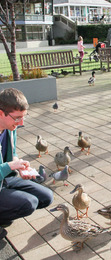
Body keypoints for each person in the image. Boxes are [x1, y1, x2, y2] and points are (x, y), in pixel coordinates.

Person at [0, 88, 53, 240]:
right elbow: (6, 166)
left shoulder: (10, 129)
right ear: (1, 113)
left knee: (46, 196)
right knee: (29, 203)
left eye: (23, 117)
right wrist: (10, 167)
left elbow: (12, 155)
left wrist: (19, 164)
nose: (21, 123)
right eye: (17, 118)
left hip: (4, 179)